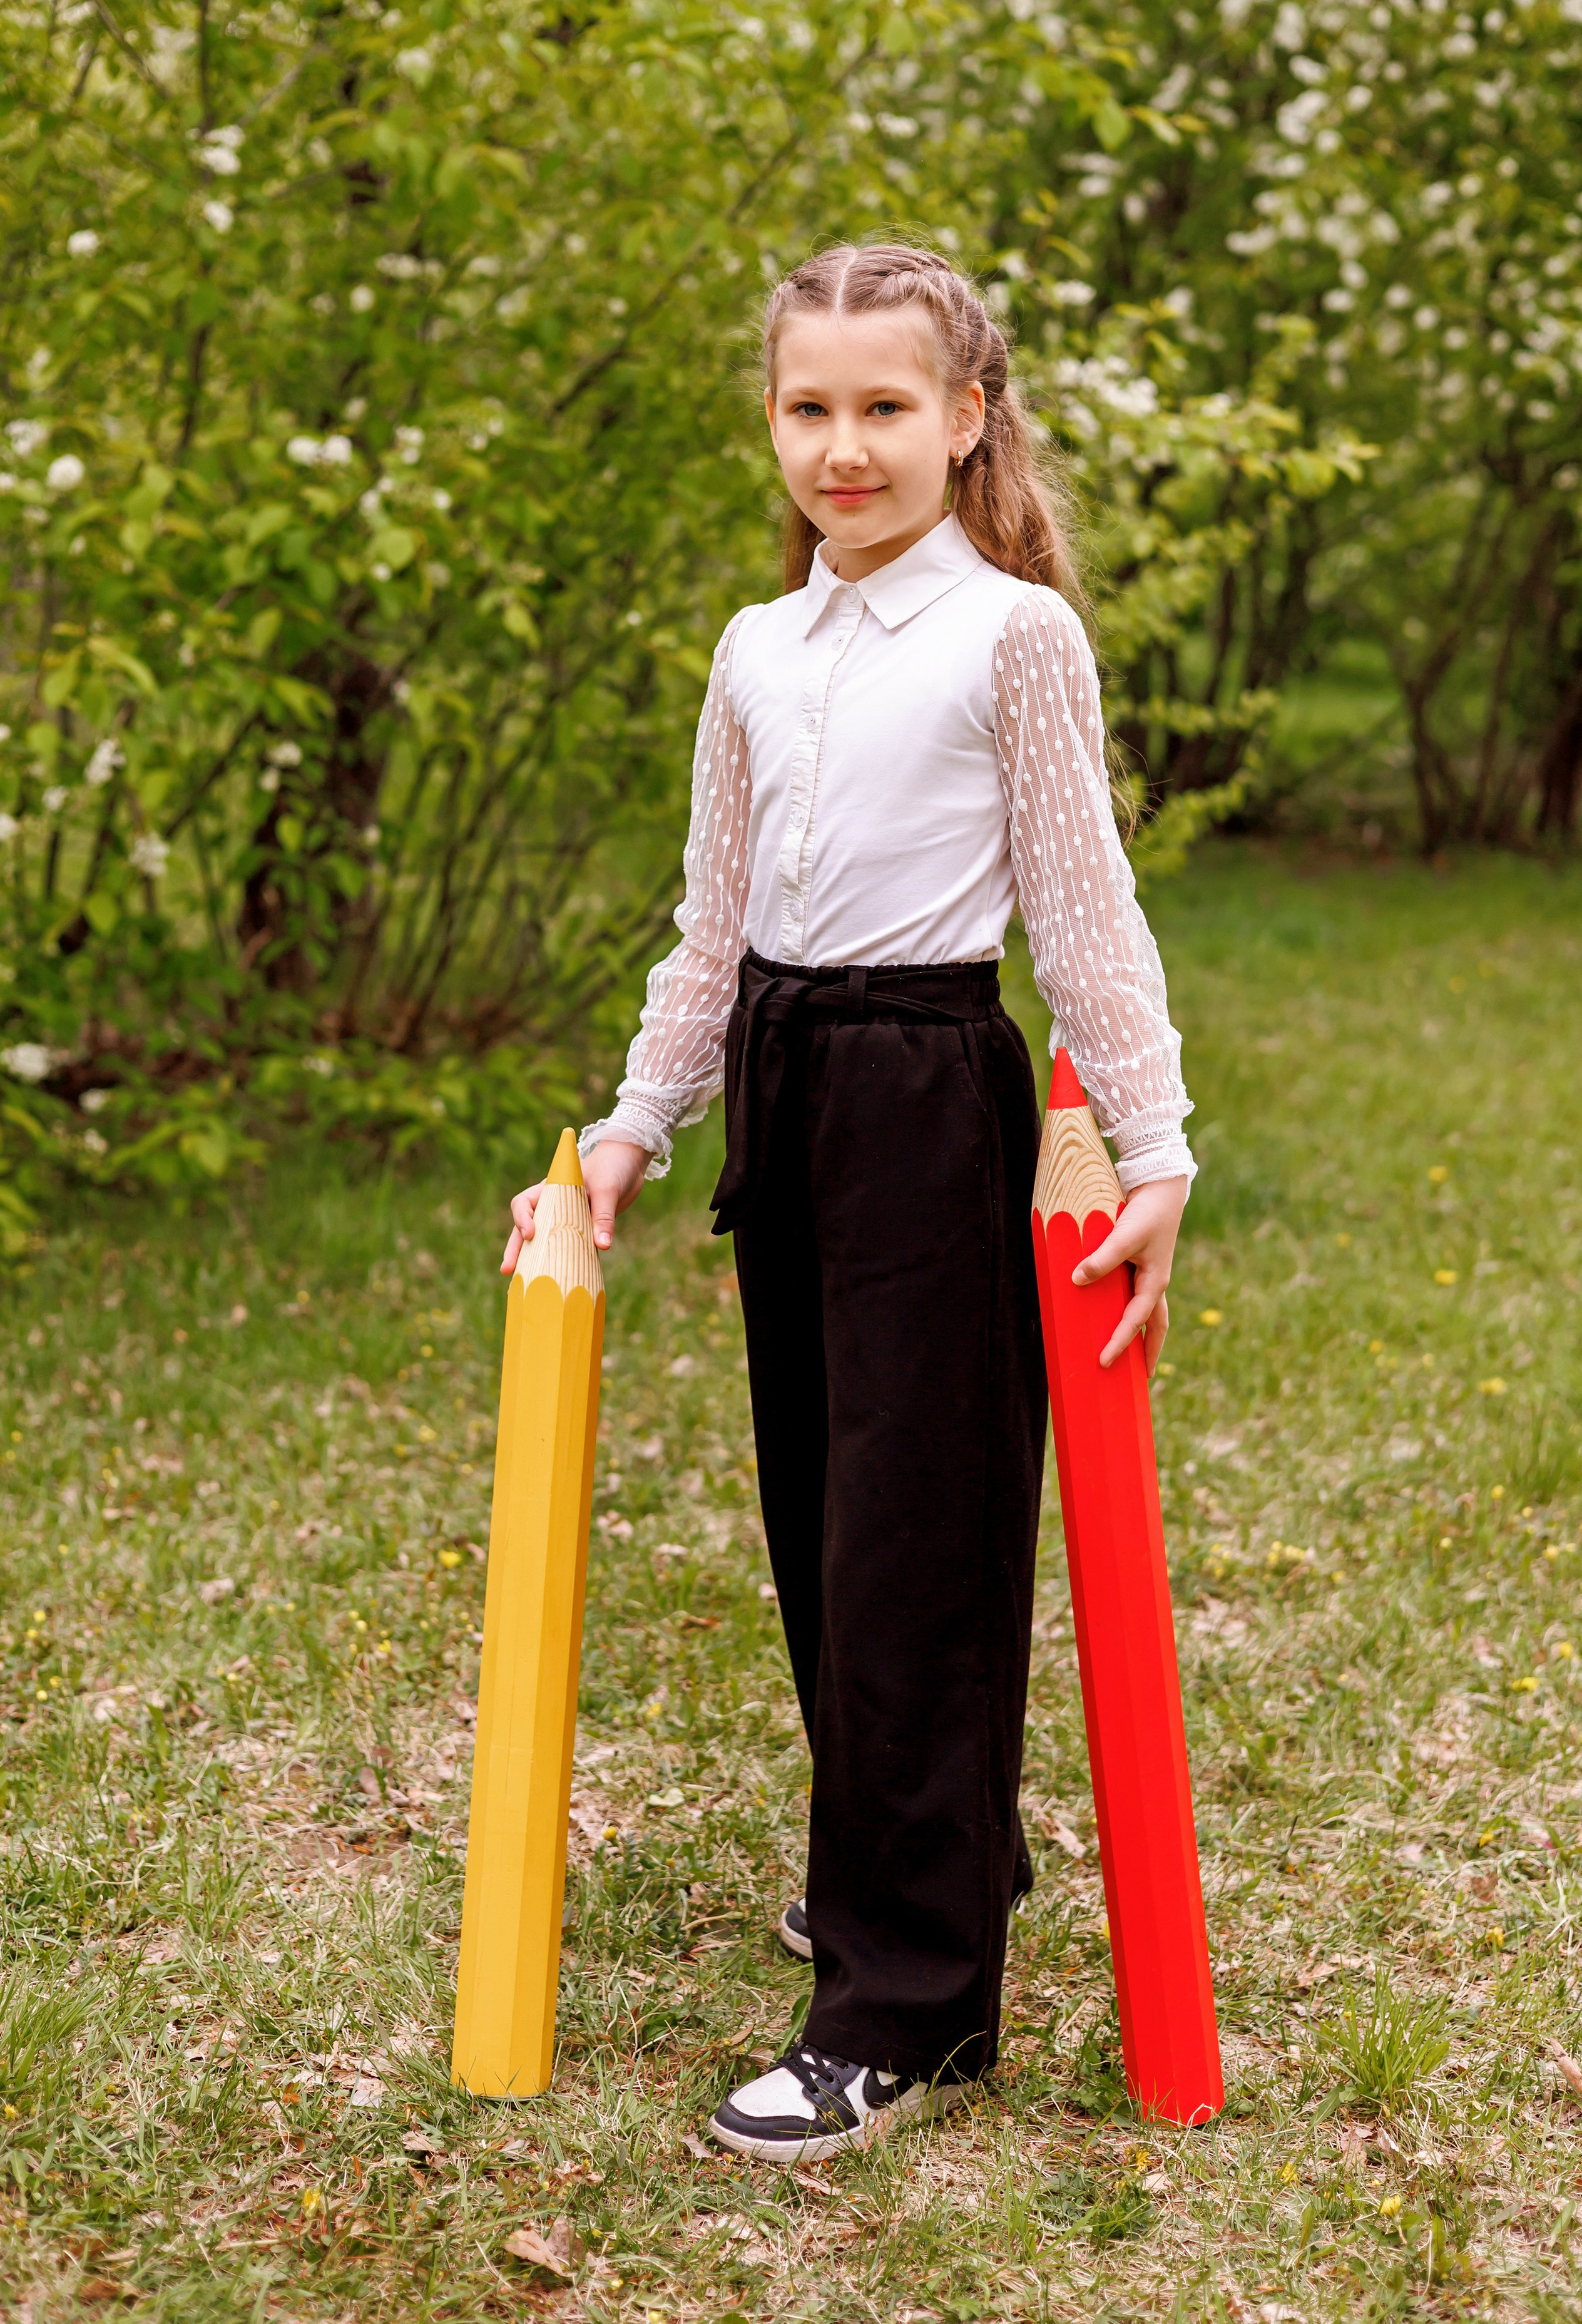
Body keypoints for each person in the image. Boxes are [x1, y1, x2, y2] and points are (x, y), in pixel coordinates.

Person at [502, 242, 1196, 2163]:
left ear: (968, 419)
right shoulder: (759, 644)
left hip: (927, 1094)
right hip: (788, 1090)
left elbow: (1084, 906)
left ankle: (904, 2003)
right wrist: (637, 1127)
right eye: (811, 407)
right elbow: (711, 925)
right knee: (822, 1516)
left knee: (918, 1532)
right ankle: (933, 1852)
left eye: (886, 407)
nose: (844, 446)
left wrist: (1155, 1151)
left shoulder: (1011, 640)